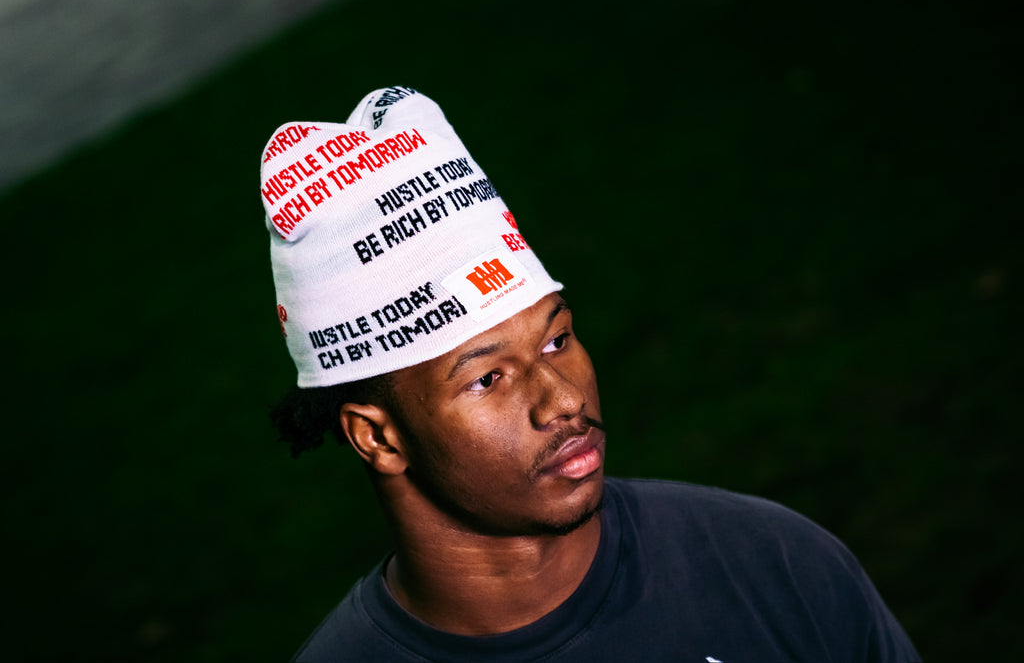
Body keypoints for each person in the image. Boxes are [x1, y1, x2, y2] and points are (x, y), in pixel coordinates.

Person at [261, 87, 921, 662]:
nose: (563, 399)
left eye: (556, 340)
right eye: (488, 378)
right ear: (378, 438)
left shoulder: (770, 562)